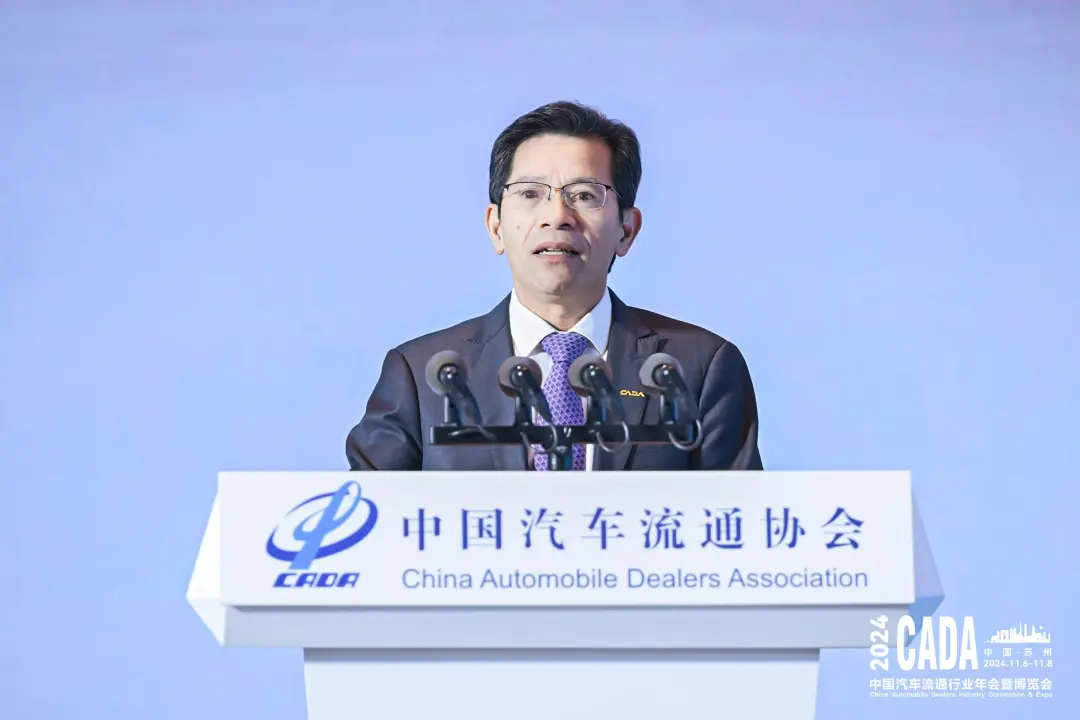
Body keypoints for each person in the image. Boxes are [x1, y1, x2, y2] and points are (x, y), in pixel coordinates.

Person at [346, 101, 762, 472]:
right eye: (530, 193)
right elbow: (361, 519)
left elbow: (739, 521)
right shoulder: (421, 374)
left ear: (626, 230)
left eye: (584, 195)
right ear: (496, 227)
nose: (557, 216)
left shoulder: (698, 368)